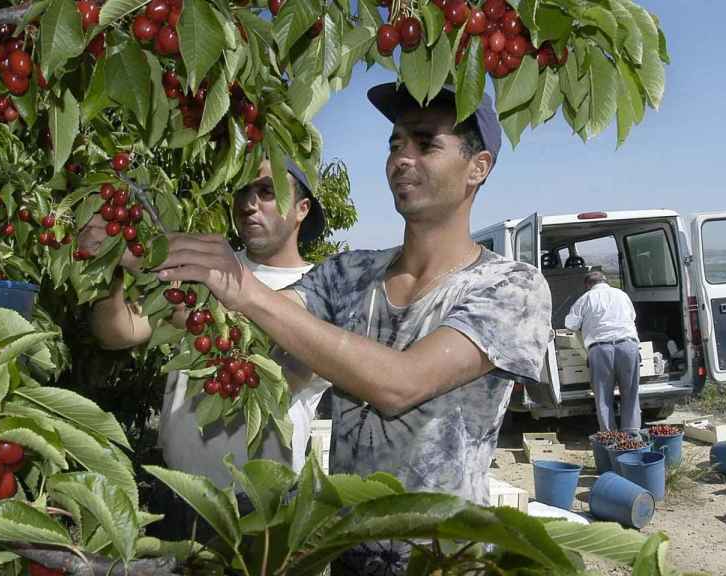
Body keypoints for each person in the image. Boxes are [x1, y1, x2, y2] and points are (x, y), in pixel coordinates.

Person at [152, 85, 552, 572]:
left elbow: (400, 384)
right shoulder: (347, 275)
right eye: (395, 143)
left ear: (478, 167)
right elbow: (237, 333)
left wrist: (247, 291)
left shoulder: (512, 287)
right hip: (341, 553)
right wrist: (143, 259)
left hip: (441, 558)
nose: (401, 158)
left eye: (424, 143)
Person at [79, 158, 331, 541]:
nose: (249, 204)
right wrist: (108, 266)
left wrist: (150, 271)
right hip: (176, 494)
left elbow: (280, 376)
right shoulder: (206, 264)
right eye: (244, 192)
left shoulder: (323, 288)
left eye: (266, 192)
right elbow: (118, 332)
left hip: (257, 509)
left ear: (302, 209)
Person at [564, 270, 641, 433]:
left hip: (600, 349)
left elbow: (570, 324)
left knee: (603, 396)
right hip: (628, 346)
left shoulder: (585, 299)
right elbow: (632, 317)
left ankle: (609, 437)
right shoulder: (622, 295)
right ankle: (632, 436)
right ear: (605, 281)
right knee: (631, 393)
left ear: (587, 285)